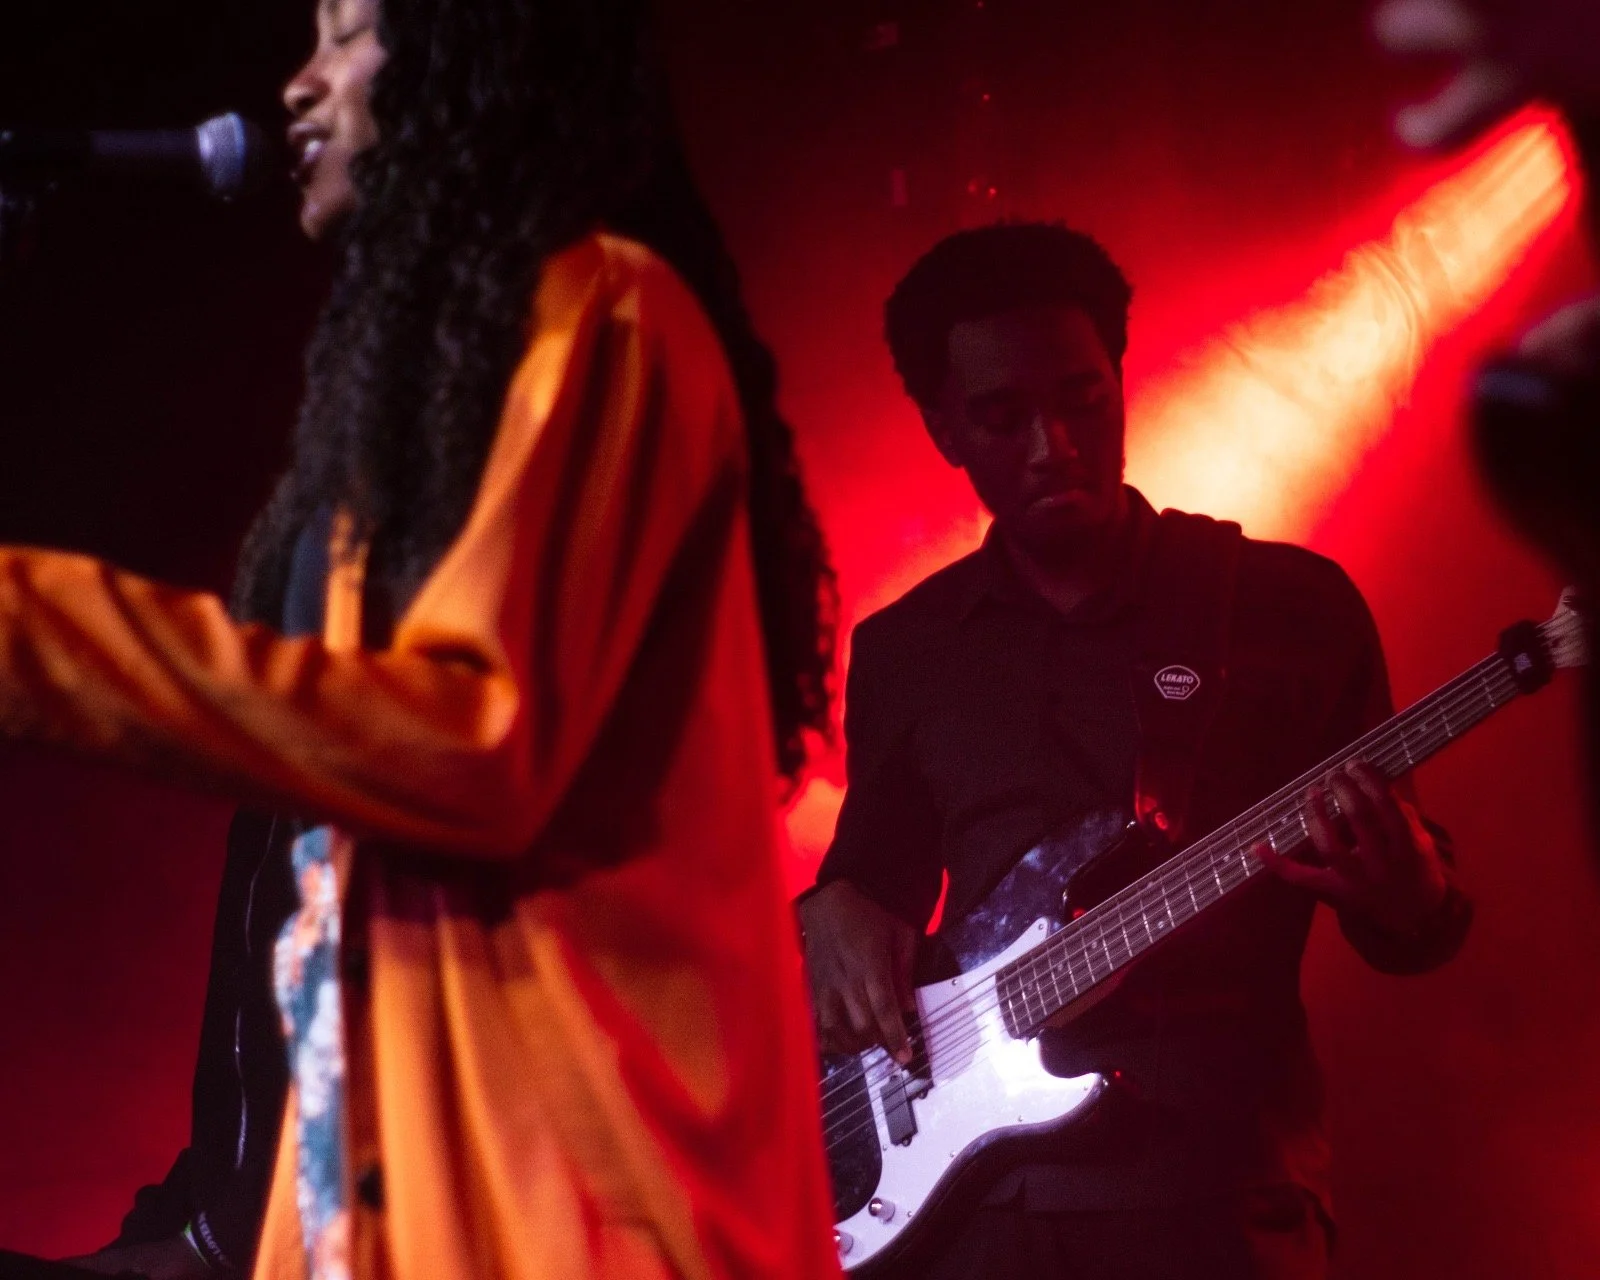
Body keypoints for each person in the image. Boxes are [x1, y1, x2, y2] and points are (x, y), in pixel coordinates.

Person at [0, 0, 846, 1277]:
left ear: (482, 58)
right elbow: (349, 932)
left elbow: (474, 743)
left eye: (346, 34)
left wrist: (28, 626)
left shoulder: (602, 315)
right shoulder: (405, 424)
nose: (299, 85)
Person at [798, 222, 1474, 1279]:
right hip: (979, 1215)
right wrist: (827, 909)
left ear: (1119, 378)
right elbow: (872, 902)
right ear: (942, 427)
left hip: (1220, 1195)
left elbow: (1410, 919)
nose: (1053, 445)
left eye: (1082, 399)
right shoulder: (907, 649)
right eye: (1003, 416)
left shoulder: (1290, 607)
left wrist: (1411, 890)